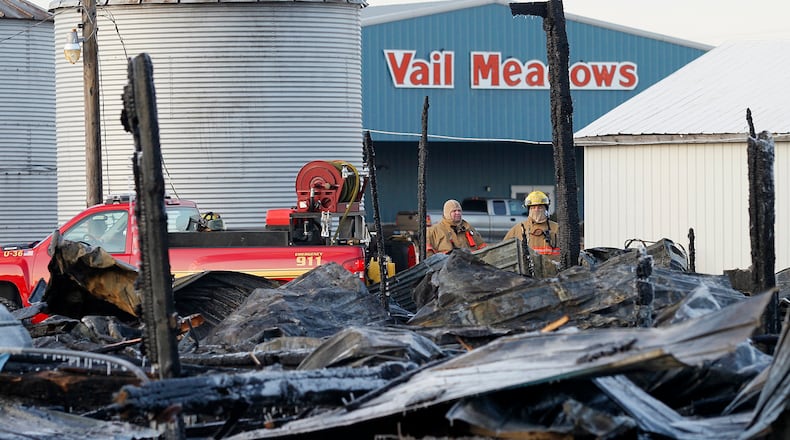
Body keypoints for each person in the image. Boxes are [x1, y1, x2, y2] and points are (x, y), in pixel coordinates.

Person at [503, 190, 560, 260]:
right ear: (528, 210)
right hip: (526, 270)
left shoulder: (556, 228)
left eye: (540, 207)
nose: (536, 210)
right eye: (533, 207)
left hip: (553, 270)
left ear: (546, 209)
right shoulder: (518, 229)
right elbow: (503, 253)